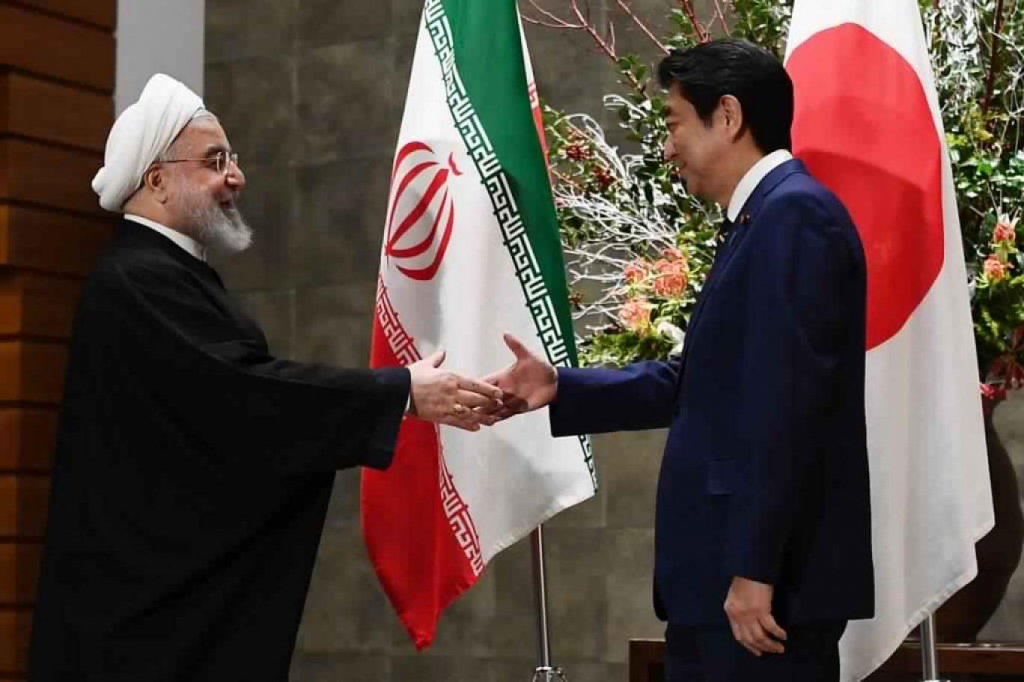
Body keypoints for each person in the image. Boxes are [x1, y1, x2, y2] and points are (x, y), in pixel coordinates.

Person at [27, 73, 501, 682]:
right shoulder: (138, 280)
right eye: (214, 161)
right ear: (156, 180)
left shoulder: (164, 273)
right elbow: (243, 399)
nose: (236, 177)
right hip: (141, 629)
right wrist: (400, 392)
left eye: (233, 159)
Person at [485, 40, 873, 681]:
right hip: (724, 586)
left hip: (757, 595)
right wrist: (560, 386)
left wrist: (754, 569)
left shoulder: (794, 216)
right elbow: (700, 382)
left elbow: (786, 409)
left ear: (728, 116)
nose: (667, 147)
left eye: (673, 123)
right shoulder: (761, 219)